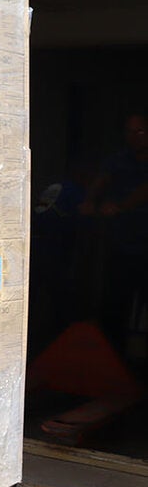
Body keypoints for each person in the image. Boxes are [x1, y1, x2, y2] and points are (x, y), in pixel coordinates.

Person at [79, 112, 148, 368]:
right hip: (122, 245)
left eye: (140, 131)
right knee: (114, 304)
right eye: (130, 132)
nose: (135, 137)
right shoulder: (119, 160)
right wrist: (89, 201)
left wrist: (120, 206)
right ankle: (113, 361)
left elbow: (143, 192)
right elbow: (101, 180)